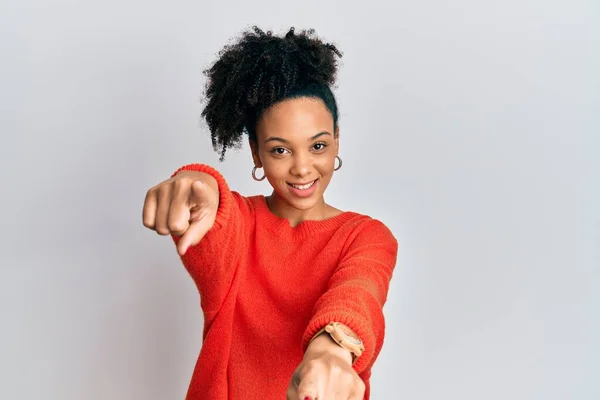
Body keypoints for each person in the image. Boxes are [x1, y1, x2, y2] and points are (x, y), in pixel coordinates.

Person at [142, 26, 398, 400]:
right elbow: (216, 214)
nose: (302, 168)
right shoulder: (240, 225)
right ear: (256, 153)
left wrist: (332, 348)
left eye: (318, 146)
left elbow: (358, 291)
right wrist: (199, 181)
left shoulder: (366, 235)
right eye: (280, 150)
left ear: (336, 140)